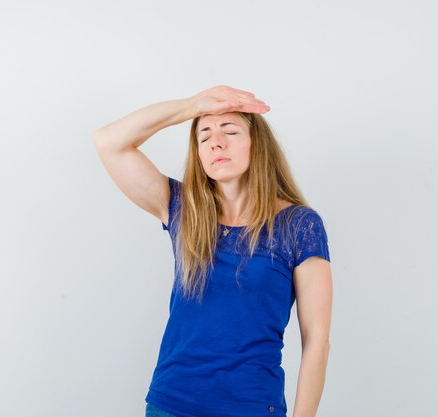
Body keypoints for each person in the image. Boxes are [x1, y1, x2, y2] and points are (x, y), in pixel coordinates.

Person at [92, 85, 333, 417]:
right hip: (170, 404)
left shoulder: (299, 225)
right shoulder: (182, 208)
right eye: (204, 137)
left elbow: (317, 342)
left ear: (256, 144)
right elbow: (108, 143)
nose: (216, 142)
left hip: (251, 407)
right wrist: (191, 106)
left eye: (230, 131)